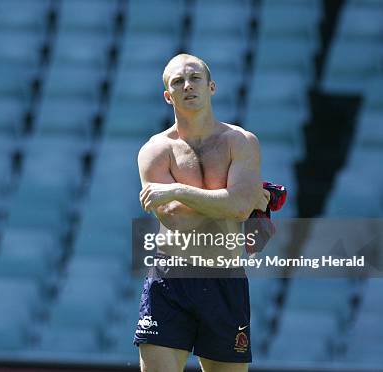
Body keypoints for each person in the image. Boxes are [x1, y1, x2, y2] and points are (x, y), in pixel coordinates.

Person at [135, 54, 270, 372]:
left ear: (211, 86)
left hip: (225, 278)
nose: (187, 85)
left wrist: (178, 190)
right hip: (170, 279)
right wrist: (232, 198)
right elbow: (174, 218)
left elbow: (238, 210)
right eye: (177, 82)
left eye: (194, 78)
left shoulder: (240, 142)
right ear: (168, 96)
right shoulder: (155, 149)